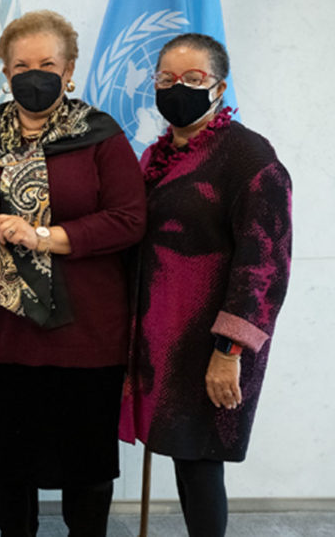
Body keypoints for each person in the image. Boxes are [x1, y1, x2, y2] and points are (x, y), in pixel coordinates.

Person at [0, 10, 147, 536]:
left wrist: (43, 236)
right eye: (21, 64)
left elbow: (129, 220)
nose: (34, 73)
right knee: (8, 465)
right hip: (0, 333)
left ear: (69, 71)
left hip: (84, 333)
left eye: (47, 63)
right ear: (4, 72)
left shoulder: (99, 136)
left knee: (85, 470)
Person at [120, 33, 292, 536]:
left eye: (193, 80)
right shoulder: (154, 156)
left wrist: (229, 350)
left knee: (199, 463)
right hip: (159, 337)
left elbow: (265, 262)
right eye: (166, 79)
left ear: (219, 86)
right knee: (179, 451)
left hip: (211, 341)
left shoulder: (248, 158)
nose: (178, 89)